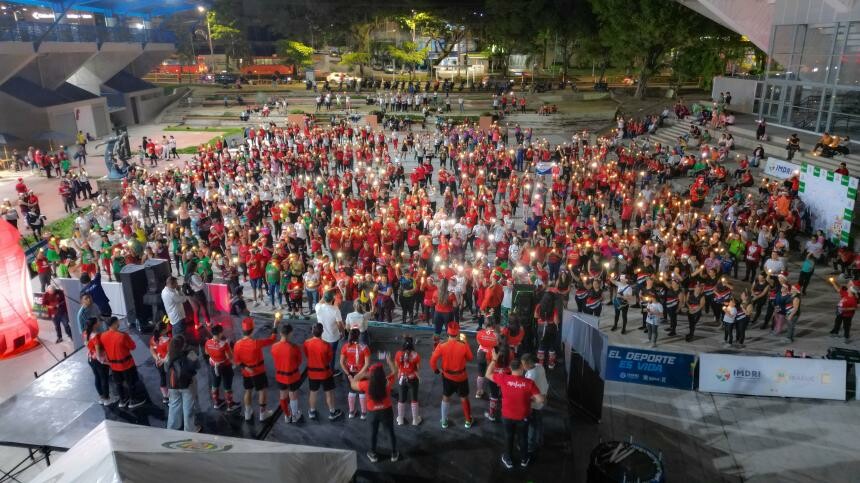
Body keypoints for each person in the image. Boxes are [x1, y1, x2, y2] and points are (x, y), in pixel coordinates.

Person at [486, 349, 544, 470]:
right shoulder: (529, 383)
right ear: (522, 369)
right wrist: (529, 400)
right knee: (523, 437)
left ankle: (508, 459)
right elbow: (540, 400)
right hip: (523, 416)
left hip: (507, 416)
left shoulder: (503, 378)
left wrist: (494, 359)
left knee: (508, 437)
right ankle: (524, 459)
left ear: (510, 369)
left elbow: (487, 374)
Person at [349, 354, 400, 463]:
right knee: (390, 432)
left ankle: (372, 454)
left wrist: (363, 373)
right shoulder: (387, 382)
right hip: (386, 411)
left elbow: (353, 384)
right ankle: (394, 454)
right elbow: (396, 373)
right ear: (382, 373)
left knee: (373, 433)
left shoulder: (366, 384)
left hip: (372, 412)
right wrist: (390, 361)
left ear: (371, 374)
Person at [430, 321, 474, 429]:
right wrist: (466, 343)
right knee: (464, 398)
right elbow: (470, 358)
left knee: (446, 397)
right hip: (461, 377)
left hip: (447, 376)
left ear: (447, 332)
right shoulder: (463, 345)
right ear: (458, 332)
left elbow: (432, 361)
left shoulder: (442, 345)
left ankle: (444, 421)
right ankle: (468, 421)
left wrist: (436, 370)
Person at [233, 316, 277, 422]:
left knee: (248, 390)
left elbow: (237, 360)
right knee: (262, 390)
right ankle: (263, 413)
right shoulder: (256, 343)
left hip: (246, 372)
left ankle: (247, 413)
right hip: (258, 372)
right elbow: (272, 339)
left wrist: (246, 368)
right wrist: (275, 324)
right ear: (252, 330)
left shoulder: (237, 344)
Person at [98, 316, 147, 408]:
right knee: (130, 382)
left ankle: (122, 400)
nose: (118, 324)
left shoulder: (103, 336)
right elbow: (132, 346)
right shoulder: (122, 336)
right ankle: (133, 400)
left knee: (118, 383)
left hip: (113, 365)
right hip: (126, 364)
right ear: (114, 324)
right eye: (117, 322)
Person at [303, 322, 345, 421]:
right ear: (322, 332)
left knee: (313, 392)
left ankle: (312, 412)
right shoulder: (326, 345)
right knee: (329, 392)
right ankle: (332, 412)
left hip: (312, 372)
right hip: (325, 373)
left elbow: (307, 354)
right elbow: (329, 359)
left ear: (312, 331)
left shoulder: (306, 343)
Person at [166, 336, 201, 432]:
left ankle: (172, 428)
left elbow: (166, 368)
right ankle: (190, 429)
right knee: (188, 407)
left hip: (172, 384)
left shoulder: (169, 354)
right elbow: (198, 366)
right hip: (187, 383)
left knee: (173, 405)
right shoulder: (190, 353)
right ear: (183, 344)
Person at [271, 322, 304, 423]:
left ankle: (287, 415)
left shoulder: (274, 347)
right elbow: (299, 361)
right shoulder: (294, 348)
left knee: (282, 396)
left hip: (280, 376)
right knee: (293, 395)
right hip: (293, 375)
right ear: (290, 334)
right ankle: (294, 415)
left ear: (281, 333)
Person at [204, 324, 240, 412]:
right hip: (225, 367)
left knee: (215, 384)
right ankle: (230, 405)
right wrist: (237, 364)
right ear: (220, 334)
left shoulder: (207, 342)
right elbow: (230, 357)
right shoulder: (224, 344)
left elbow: (206, 353)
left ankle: (216, 403)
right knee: (227, 386)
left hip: (213, 366)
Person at [340, 328, 371, 419]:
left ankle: (351, 412)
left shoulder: (345, 346)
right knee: (362, 392)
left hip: (350, 373)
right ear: (359, 336)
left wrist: (349, 374)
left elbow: (341, 363)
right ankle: (364, 413)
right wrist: (360, 374)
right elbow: (367, 363)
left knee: (351, 391)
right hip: (361, 373)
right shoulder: (364, 347)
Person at [522, 353, 548, 456]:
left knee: (531, 426)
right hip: (541, 402)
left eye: (523, 364)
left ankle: (530, 446)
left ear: (528, 364)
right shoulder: (540, 367)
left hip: (534, 405)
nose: (522, 366)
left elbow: (529, 393)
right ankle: (540, 441)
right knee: (539, 423)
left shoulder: (530, 376)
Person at [315, 291, 345, 377]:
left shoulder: (318, 307)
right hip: (333, 337)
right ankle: (331, 371)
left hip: (322, 335)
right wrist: (342, 333)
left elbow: (320, 302)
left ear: (324, 298)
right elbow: (339, 324)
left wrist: (324, 294)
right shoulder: (335, 310)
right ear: (333, 299)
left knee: (322, 353)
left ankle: (322, 368)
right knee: (332, 354)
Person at [394, 335, 422, 426]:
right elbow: (418, 368)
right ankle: (415, 420)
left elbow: (397, 366)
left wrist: (402, 369)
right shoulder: (416, 355)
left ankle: (400, 419)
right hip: (412, 379)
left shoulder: (398, 354)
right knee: (414, 399)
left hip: (402, 378)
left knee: (401, 399)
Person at [84, 317, 111, 404]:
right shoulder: (95, 336)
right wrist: (102, 360)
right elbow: (98, 349)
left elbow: (86, 344)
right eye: (98, 321)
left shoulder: (85, 333)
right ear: (95, 324)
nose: (99, 322)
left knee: (97, 377)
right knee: (104, 378)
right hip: (98, 360)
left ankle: (101, 396)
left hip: (90, 358)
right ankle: (107, 399)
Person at [149, 320, 172, 405]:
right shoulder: (168, 340)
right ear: (163, 330)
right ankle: (171, 397)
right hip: (166, 362)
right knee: (170, 379)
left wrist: (157, 359)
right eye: (166, 327)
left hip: (158, 363)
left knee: (162, 378)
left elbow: (152, 350)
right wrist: (163, 360)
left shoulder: (153, 339)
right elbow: (169, 353)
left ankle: (165, 397)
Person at [475, 319, 499, 399]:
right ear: (494, 325)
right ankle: (493, 393)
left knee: (480, 374)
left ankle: (479, 392)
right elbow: (497, 344)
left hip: (481, 354)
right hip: (491, 355)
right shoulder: (497, 335)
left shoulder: (479, 333)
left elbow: (479, 343)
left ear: (485, 325)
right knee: (490, 373)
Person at [828, 277, 857, 343]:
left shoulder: (853, 299)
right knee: (837, 322)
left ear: (851, 291)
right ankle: (835, 332)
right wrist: (833, 283)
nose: (847, 285)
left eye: (849, 285)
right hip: (840, 312)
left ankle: (846, 337)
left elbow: (854, 307)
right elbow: (838, 290)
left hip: (847, 315)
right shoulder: (845, 293)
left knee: (846, 326)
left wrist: (845, 309)